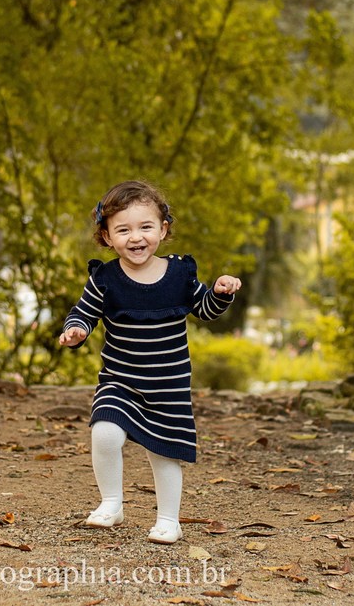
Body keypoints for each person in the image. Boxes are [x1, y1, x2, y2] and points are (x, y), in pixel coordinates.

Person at [59, 180, 241, 544]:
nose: (135, 237)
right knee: (105, 433)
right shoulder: (105, 279)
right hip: (120, 381)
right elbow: (84, 313)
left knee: (164, 453)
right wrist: (76, 329)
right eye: (123, 229)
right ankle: (111, 501)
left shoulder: (179, 274)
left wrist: (220, 293)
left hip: (169, 387)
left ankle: (168, 519)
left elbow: (204, 309)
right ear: (107, 237)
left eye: (145, 227)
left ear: (163, 229)